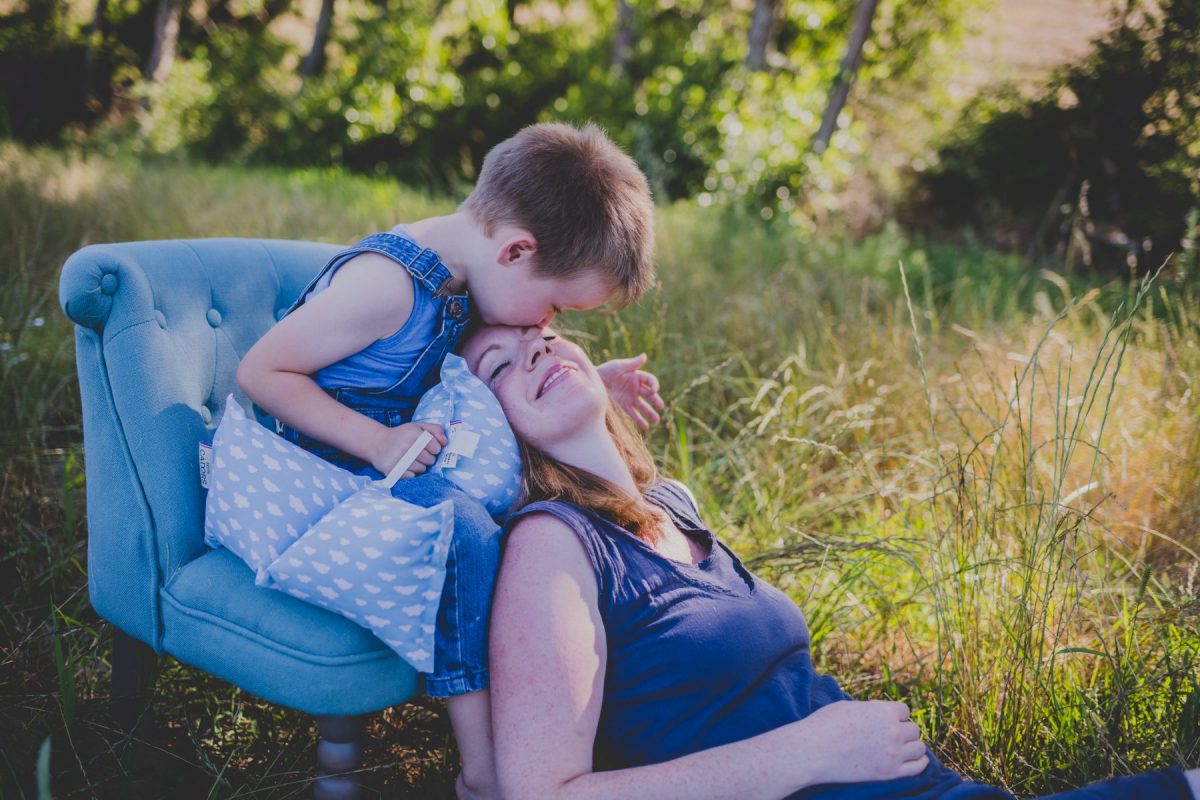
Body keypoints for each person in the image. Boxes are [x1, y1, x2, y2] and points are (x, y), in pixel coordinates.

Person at [460, 325, 1200, 800]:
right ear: (479, 427)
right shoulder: (553, 544)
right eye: (498, 364)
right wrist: (809, 751)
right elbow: (543, 793)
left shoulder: (671, 507)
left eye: (548, 335)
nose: (537, 349)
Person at [236, 122, 664, 800]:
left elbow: (483, 367)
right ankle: (483, 767)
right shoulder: (389, 286)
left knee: (540, 516)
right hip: (322, 483)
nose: (543, 328)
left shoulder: (472, 274)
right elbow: (262, 372)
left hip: (402, 466)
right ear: (518, 249)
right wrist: (374, 442)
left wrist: (589, 384)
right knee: (463, 532)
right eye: (555, 307)